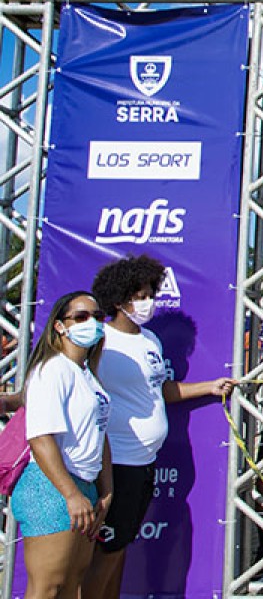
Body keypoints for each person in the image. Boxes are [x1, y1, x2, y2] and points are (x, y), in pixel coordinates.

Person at [85, 255, 235, 599]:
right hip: (114, 462)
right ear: (118, 299)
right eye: (139, 295)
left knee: (119, 547)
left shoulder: (150, 340)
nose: (147, 301)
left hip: (145, 461)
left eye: (151, 293)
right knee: (104, 552)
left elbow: (160, 390)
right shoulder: (99, 340)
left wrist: (210, 387)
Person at [13, 292, 112, 599]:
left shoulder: (88, 375)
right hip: (52, 488)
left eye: (97, 316)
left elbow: (100, 435)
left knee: (71, 587)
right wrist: (70, 494)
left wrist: (106, 492)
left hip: (84, 488)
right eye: (81, 317)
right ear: (59, 326)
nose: (91, 323)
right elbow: (40, 438)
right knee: (48, 587)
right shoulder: (52, 370)